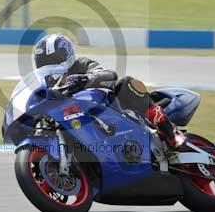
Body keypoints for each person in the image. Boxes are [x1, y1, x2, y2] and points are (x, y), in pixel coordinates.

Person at [33, 34, 183, 148]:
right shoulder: (48, 87)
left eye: (51, 60)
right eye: (43, 63)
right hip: (79, 127)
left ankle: (170, 131)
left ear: (64, 56)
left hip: (110, 111)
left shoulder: (81, 64)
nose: (48, 66)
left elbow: (108, 74)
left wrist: (85, 80)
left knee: (127, 82)